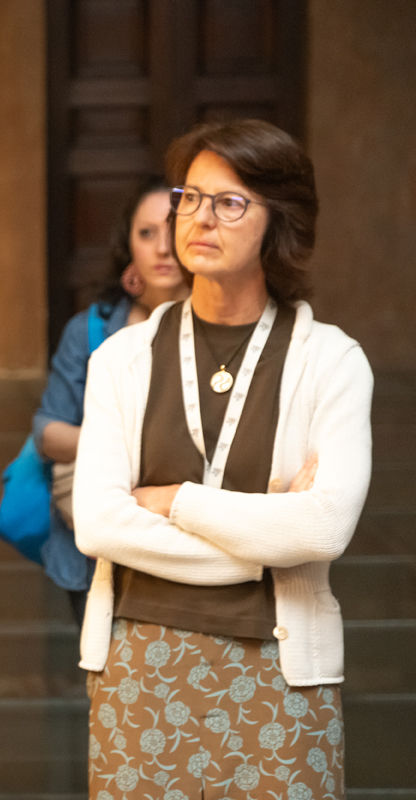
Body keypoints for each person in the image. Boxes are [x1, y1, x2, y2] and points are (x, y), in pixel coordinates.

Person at [74, 119, 372, 798]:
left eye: (230, 203)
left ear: (279, 222)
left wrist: (174, 500)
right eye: (189, 197)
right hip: (140, 663)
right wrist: (267, 536)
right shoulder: (120, 359)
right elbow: (97, 525)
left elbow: (323, 530)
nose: (199, 218)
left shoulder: (333, 361)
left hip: (280, 669)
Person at [32, 177, 188, 626]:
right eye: (146, 233)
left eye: (172, 229)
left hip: (190, 545)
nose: (162, 247)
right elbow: (48, 430)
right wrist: (123, 444)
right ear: (128, 246)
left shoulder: (223, 331)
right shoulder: (92, 330)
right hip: (97, 553)